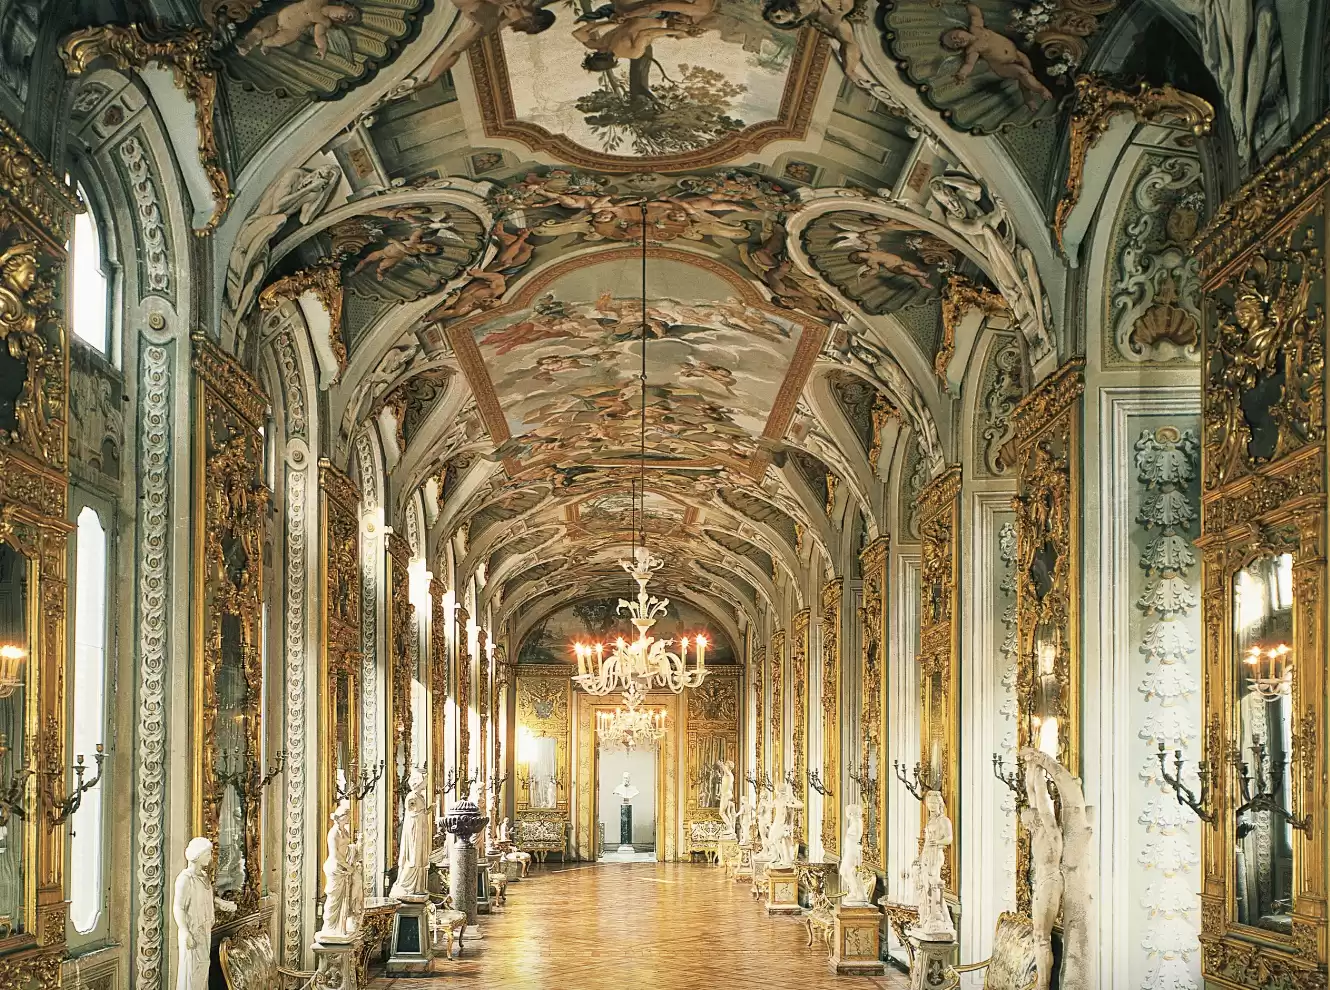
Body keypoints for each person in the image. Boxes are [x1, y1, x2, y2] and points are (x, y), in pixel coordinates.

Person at [940, 3, 1052, 110]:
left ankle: (1028, 98)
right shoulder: (972, 50)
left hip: (1017, 54)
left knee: (1028, 72)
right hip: (1002, 65)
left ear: (959, 29)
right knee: (1022, 73)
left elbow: (976, 14)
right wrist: (962, 74)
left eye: (953, 37)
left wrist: (967, 4)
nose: (957, 41)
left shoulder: (976, 28)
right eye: (955, 45)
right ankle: (1041, 89)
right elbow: (969, 64)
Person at [173, 837, 237, 990]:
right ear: (198, 855)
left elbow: (205, 896)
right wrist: (185, 930)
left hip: (204, 930)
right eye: (207, 854)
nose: (210, 858)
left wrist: (221, 903)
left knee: (203, 969)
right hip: (192, 932)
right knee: (192, 971)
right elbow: (178, 907)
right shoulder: (185, 880)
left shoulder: (203, 877)